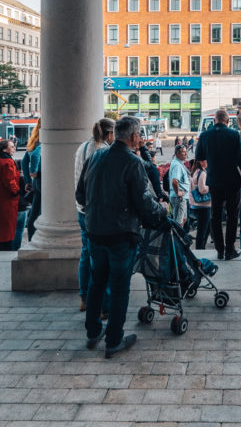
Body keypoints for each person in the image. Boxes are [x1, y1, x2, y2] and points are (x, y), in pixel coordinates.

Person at [77, 116, 168, 358]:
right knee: (119, 287)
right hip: (120, 235)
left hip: (95, 231)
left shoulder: (95, 156)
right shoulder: (132, 162)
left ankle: (92, 332)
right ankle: (114, 340)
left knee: (97, 282)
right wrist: (162, 210)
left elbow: (80, 193)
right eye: (140, 135)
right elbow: (144, 202)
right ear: (134, 137)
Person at [194, 109, 241, 261]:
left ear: (214, 121)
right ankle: (230, 250)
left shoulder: (205, 135)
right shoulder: (234, 135)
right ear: (227, 121)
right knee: (232, 216)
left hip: (214, 181)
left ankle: (219, 250)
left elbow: (199, 156)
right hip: (233, 181)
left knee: (215, 215)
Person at [74, 118, 115, 313]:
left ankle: (84, 297)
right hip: (97, 213)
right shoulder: (104, 152)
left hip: (81, 209)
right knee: (101, 259)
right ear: (109, 134)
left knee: (85, 254)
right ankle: (103, 306)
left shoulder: (82, 148)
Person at [0, 139, 22, 252]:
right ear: (4, 149)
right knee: (6, 228)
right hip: (6, 199)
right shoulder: (7, 162)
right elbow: (10, 181)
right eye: (12, 147)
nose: (14, 149)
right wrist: (17, 191)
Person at [22, 119, 42, 241]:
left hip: (36, 182)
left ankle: (31, 238)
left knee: (35, 212)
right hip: (42, 179)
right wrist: (34, 172)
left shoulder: (33, 141)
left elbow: (24, 162)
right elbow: (35, 155)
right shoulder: (44, 140)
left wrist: (28, 180)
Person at [188, 159, 211, 249]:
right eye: (206, 160)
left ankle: (200, 248)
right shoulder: (203, 173)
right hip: (204, 205)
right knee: (203, 230)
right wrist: (211, 185)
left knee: (202, 229)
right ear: (201, 162)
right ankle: (200, 249)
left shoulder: (195, 171)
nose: (207, 162)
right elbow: (203, 190)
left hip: (197, 204)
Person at [168, 143, 191, 227]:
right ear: (177, 153)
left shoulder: (178, 163)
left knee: (183, 219)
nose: (185, 153)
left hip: (181, 198)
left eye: (186, 151)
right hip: (179, 198)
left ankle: (178, 238)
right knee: (179, 222)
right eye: (183, 152)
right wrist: (178, 192)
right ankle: (176, 239)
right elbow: (174, 181)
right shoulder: (177, 165)